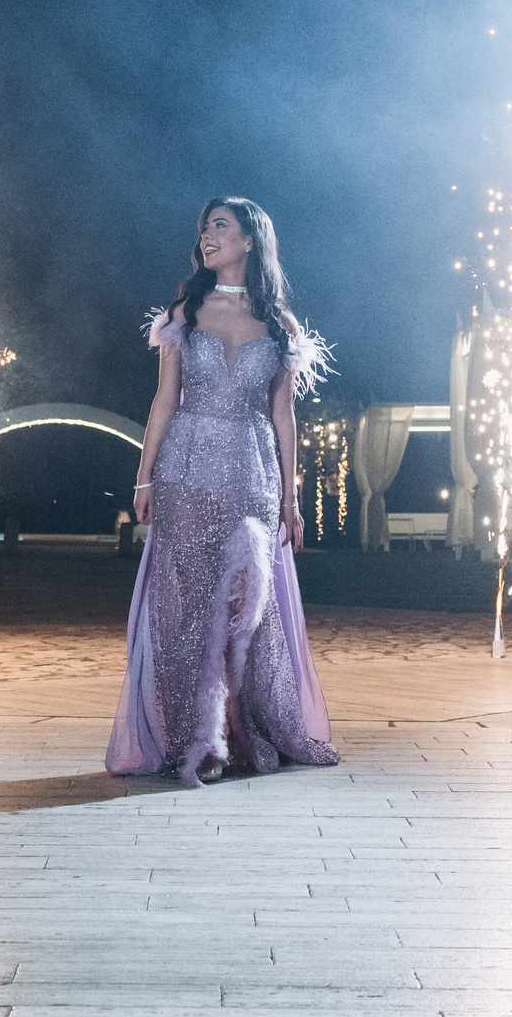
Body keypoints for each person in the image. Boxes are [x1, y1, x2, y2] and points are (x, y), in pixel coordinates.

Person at [108, 198, 339, 785]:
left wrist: (291, 498)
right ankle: (195, 740)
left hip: (254, 476)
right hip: (185, 472)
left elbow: (284, 416)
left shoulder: (280, 323)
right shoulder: (184, 312)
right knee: (184, 608)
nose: (206, 236)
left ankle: (244, 732)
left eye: (219, 226)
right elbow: (164, 399)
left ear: (249, 241)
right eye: (204, 228)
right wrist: (144, 475)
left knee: (249, 610)